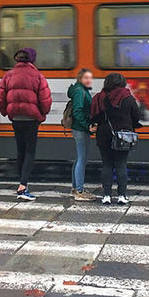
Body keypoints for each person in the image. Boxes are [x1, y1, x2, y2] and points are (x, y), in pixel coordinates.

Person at [0, 47, 52, 201]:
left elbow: (1, 98)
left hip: (16, 119)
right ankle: (23, 185)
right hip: (31, 119)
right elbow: (45, 99)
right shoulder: (37, 75)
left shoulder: (8, 75)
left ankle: (21, 182)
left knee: (20, 150)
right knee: (29, 152)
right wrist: (42, 115)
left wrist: (6, 113)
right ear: (32, 59)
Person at [90, 72, 141, 206]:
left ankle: (106, 195)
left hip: (103, 134)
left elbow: (94, 116)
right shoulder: (127, 97)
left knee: (107, 164)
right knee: (121, 164)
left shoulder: (99, 98)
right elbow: (137, 115)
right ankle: (122, 196)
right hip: (123, 135)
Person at [68, 68, 95, 201]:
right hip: (81, 129)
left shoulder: (80, 90)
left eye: (90, 77)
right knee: (82, 159)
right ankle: (79, 191)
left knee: (79, 158)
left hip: (79, 128)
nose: (89, 80)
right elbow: (78, 111)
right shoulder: (80, 92)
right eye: (86, 78)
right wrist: (87, 126)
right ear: (80, 79)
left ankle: (75, 188)